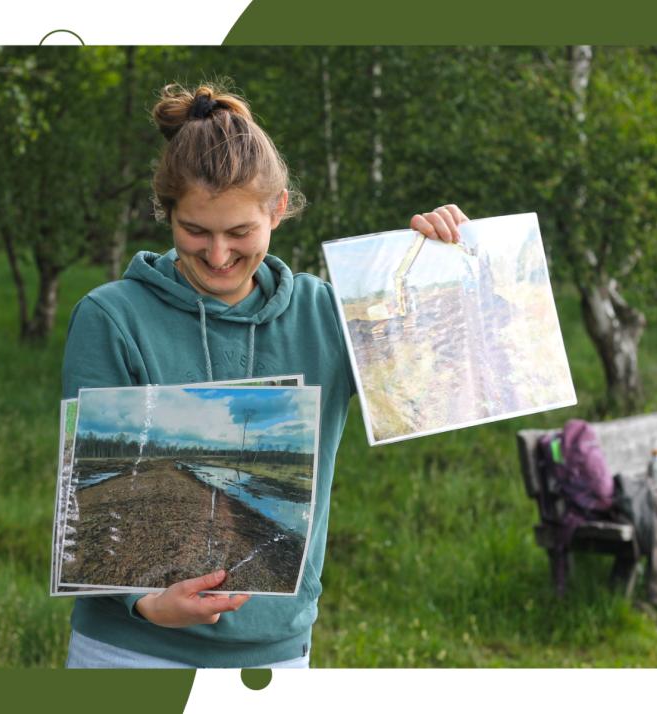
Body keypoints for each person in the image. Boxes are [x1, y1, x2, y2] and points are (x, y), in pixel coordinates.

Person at [61, 82, 469, 668]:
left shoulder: (328, 314)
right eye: (195, 231)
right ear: (167, 214)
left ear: (278, 210)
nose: (219, 255)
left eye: (240, 233)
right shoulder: (112, 317)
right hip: (130, 652)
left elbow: (438, 390)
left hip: (273, 656)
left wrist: (436, 268)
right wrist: (146, 604)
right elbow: (88, 497)